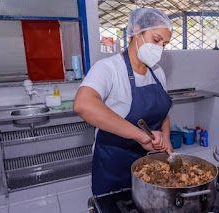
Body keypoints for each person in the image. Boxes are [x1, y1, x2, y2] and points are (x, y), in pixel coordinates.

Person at [73, 8, 174, 196]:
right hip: (112, 164)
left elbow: (163, 113)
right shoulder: (108, 68)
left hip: (148, 162)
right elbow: (83, 105)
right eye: (156, 39)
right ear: (137, 31)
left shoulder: (157, 72)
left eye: (165, 44)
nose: (160, 47)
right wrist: (140, 135)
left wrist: (166, 139)